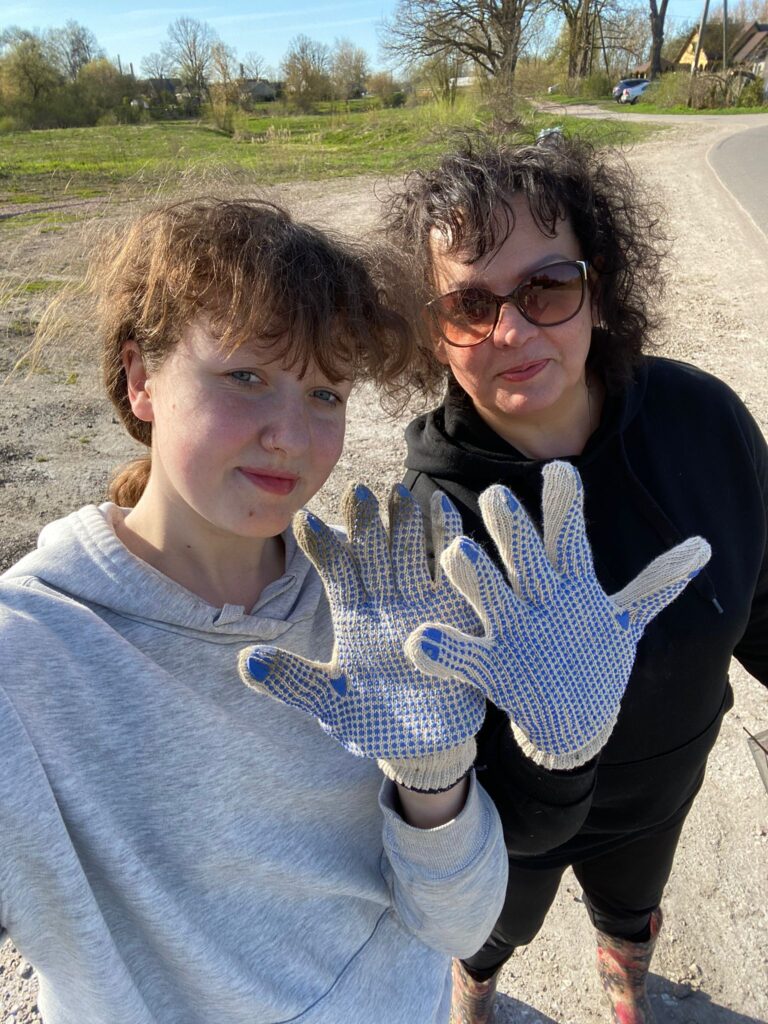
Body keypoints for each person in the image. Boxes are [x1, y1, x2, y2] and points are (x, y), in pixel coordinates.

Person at [0, 197, 512, 1024]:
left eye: (325, 395)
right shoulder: (28, 655)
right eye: (246, 378)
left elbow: (459, 926)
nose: (292, 437)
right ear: (141, 379)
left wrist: (436, 785)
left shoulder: (367, 613)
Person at [384, 132, 768, 1024]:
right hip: (514, 829)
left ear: (600, 287)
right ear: (434, 334)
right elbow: (448, 784)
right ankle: (473, 993)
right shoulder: (430, 527)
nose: (512, 331)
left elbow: (765, 596)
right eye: (469, 305)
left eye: (547, 287)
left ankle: (626, 982)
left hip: (660, 790)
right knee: (490, 934)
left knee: (630, 909)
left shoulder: (702, 422)